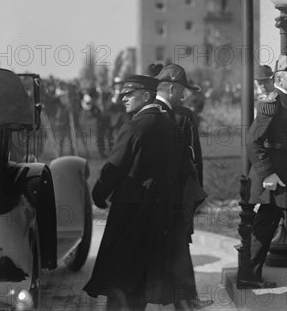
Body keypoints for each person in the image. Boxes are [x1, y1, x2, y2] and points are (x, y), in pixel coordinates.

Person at [84, 74, 196, 310]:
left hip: (130, 214)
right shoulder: (171, 126)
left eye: (129, 94)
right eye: (122, 94)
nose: (123, 98)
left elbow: (114, 167)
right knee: (142, 276)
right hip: (160, 213)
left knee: (120, 274)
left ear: (146, 96)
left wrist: (98, 195)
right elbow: (184, 169)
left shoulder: (135, 126)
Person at [240, 53, 287, 289]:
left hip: (286, 174)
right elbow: (253, 141)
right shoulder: (273, 102)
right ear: (279, 78)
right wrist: (268, 173)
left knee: (267, 224)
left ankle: (248, 275)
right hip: (277, 177)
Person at [154, 64, 204, 186]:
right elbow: (194, 156)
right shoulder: (185, 116)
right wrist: (197, 189)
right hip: (177, 188)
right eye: (181, 91)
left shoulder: (142, 112)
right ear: (172, 89)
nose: (182, 97)